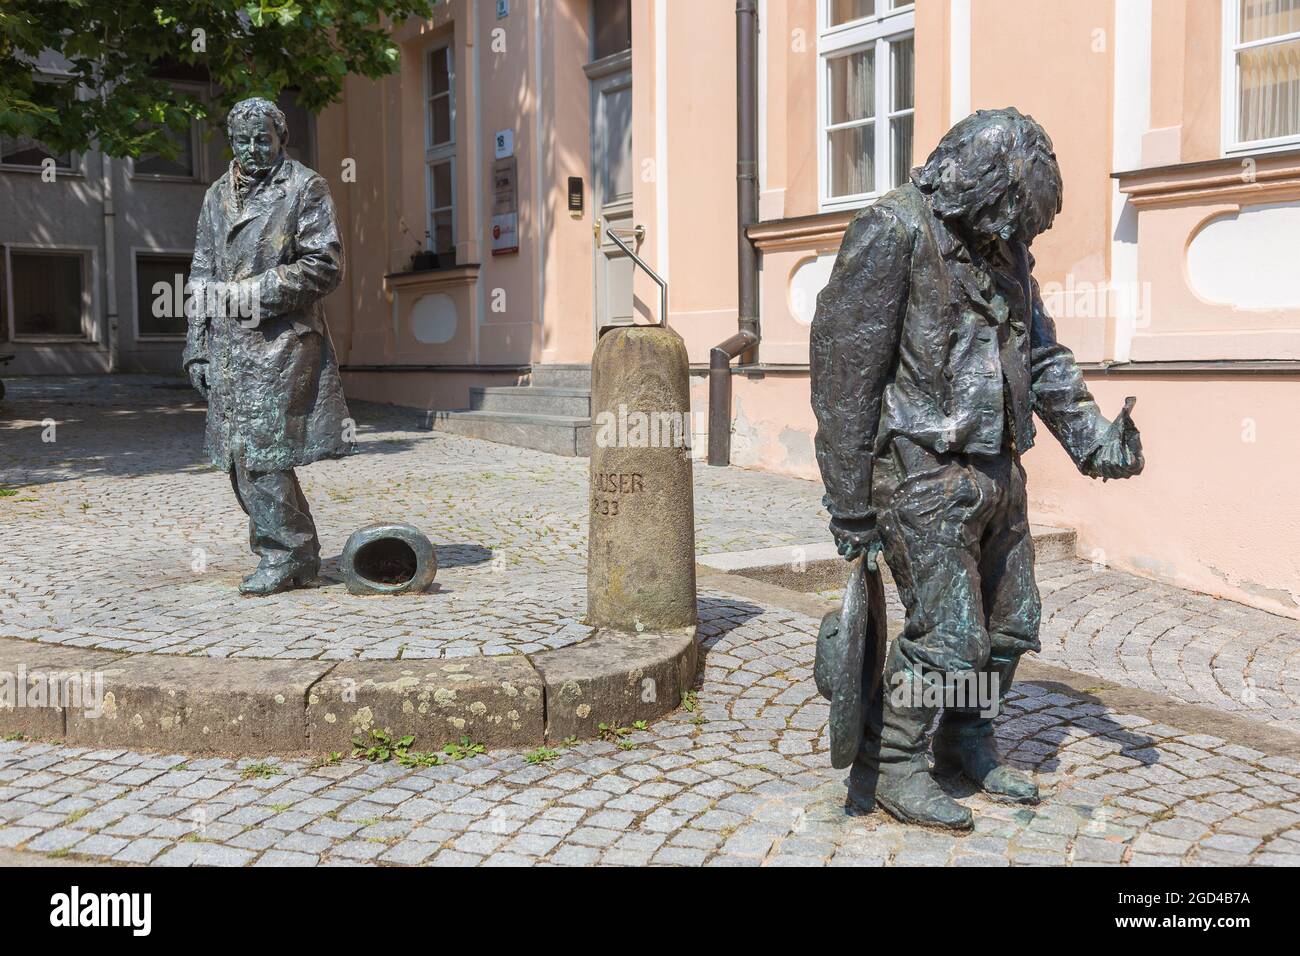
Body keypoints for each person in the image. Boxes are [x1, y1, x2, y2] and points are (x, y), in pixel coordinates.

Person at [810, 108, 1144, 830]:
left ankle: (966, 740)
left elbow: (1042, 352)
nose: (1016, 239)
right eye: (1009, 220)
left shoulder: (1003, 249)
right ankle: (893, 766)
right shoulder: (895, 229)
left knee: (1011, 624)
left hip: (998, 469)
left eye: (1021, 229)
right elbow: (844, 373)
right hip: (918, 473)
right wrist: (849, 504)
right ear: (984, 190)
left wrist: (1092, 438)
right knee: (950, 636)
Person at [183, 97, 355, 596]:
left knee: (261, 452)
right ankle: (296, 552)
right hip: (227, 348)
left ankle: (283, 554)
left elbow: (324, 265)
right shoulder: (217, 194)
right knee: (238, 457)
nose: (253, 148)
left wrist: (247, 293)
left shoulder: (305, 187)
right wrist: (196, 346)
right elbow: (200, 270)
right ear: (230, 141)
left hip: (280, 343)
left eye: (263, 139)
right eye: (242, 140)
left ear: (282, 138)